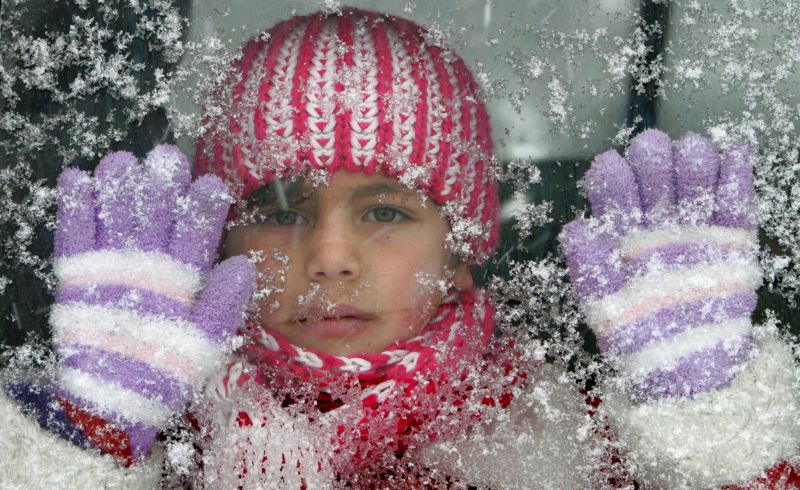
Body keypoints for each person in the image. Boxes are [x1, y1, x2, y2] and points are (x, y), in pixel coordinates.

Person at [1, 7, 799, 489]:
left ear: (459, 247)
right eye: (279, 207)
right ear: (218, 241)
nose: (330, 254)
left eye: (384, 209)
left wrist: (712, 441)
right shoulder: (155, 439)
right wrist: (85, 443)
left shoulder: (566, 443)